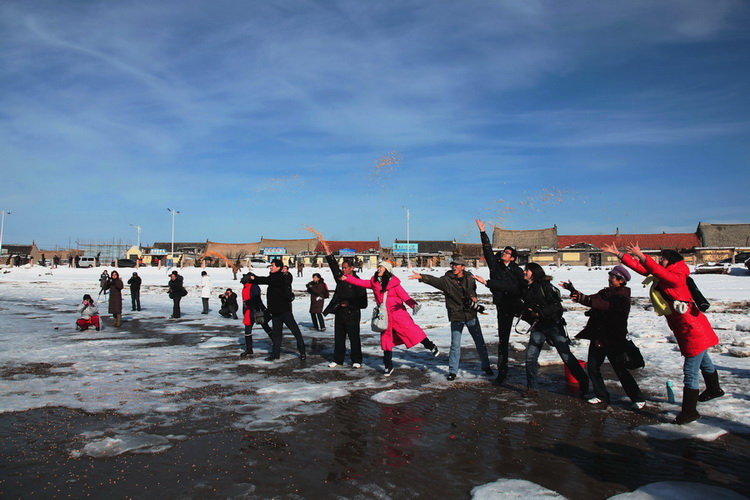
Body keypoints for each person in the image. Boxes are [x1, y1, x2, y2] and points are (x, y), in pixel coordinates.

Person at [603, 243, 723, 424]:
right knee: (703, 359)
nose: (660, 261)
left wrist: (643, 256)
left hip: (692, 329)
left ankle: (690, 412)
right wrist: (620, 255)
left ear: (671, 261)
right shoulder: (665, 275)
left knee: (690, 370)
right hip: (689, 327)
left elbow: (655, 269)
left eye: (662, 259)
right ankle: (714, 389)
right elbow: (644, 269)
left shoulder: (676, 276)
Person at [478, 262, 589, 397]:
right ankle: (532, 388)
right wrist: (487, 283)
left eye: (527, 271)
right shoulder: (525, 288)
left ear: (534, 273)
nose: (524, 272)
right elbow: (508, 287)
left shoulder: (545, 287)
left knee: (566, 356)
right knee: (530, 357)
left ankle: (584, 383)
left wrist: (539, 312)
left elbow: (557, 307)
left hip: (554, 326)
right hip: (539, 327)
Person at [562, 265, 646, 410]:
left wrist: (586, 300)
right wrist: (573, 291)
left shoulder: (622, 296)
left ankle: (637, 398)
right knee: (593, 367)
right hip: (599, 336)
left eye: (612, 277)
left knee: (620, 369)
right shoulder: (605, 292)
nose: (609, 279)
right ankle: (601, 396)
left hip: (613, 338)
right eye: (610, 276)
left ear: (621, 280)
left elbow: (602, 305)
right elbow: (590, 299)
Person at [341, 261, 440, 376]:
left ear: (387, 270)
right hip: (384, 316)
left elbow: (404, 296)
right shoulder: (374, 282)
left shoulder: (394, 283)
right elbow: (360, 282)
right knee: (386, 340)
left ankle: (431, 346)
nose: (378, 269)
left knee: (412, 330)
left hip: (398, 313)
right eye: (378, 267)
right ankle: (388, 365)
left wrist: (413, 305)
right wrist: (347, 278)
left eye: (381, 267)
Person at [410, 258, 493, 381]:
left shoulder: (470, 278)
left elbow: (473, 291)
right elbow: (434, 281)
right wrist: (422, 277)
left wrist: (474, 298)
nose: (454, 267)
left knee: (479, 342)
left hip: (470, 314)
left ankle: (486, 366)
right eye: (453, 265)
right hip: (456, 315)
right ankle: (452, 371)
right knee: (455, 344)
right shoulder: (446, 280)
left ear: (463, 267)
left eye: (457, 265)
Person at [475, 219, 525, 384]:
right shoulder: (495, 267)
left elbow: (523, 288)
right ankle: (502, 373)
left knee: (543, 325)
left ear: (513, 258)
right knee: (503, 341)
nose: (504, 253)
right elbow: (488, 251)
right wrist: (483, 233)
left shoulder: (517, 271)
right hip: (503, 306)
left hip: (518, 305)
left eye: (508, 253)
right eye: (504, 251)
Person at [249, 259, 307, 361]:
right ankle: (275, 354)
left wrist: (254, 278)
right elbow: (268, 280)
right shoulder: (272, 277)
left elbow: (266, 280)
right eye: (271, 265)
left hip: (285, 310)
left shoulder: (280, 277)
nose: (271, 267)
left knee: (295, 331)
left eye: (272, 265)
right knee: (276, 334)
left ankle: (302, 352)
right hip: (275, 311)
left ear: (278, 267)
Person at [323, 251, 368, 368]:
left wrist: (349, 303)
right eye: (342, 268)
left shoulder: (358, 282)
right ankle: (338, 359)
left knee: (354, 339)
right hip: (340, 313)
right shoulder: (341, 279)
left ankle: (356, 360)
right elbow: (334, 269)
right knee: (339, 338)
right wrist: (329, 256)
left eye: (345, 268)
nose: (343, 270)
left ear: (352, 268)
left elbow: (363, 303)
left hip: (352, 314)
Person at [239, 272, 273, 357]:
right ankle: (249, 349)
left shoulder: (254, 287)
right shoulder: (245, 286)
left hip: (256, 310)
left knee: (265, 325)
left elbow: (257, 299)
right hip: (248, 310)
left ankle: (276, 341)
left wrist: (249, 303)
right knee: (248, 327)